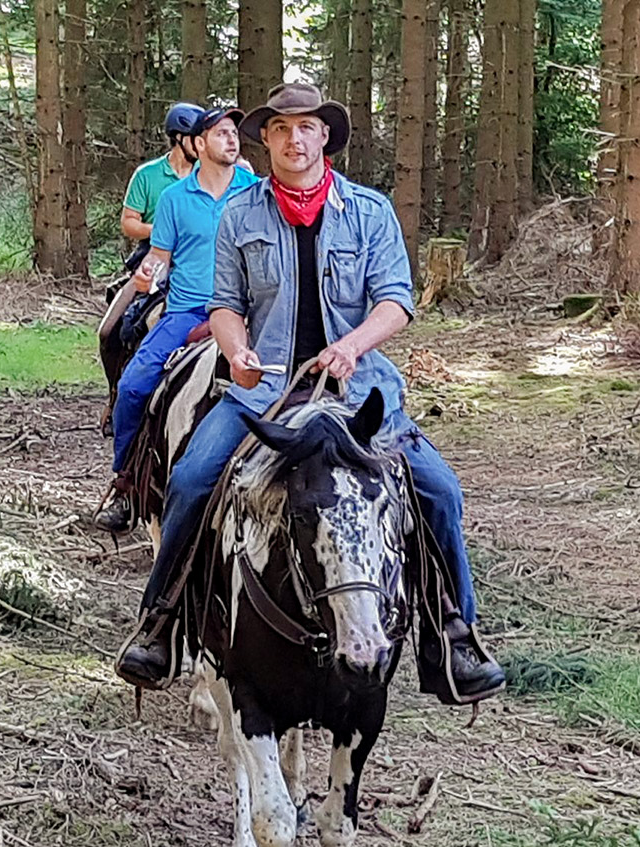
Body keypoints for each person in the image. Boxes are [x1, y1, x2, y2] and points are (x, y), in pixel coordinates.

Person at [113, 83, 507, 705]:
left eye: (306, 128)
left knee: (439, 490)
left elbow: (395, 300)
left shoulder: (369, 211)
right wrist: (237, 352)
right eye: (281, 130)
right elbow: (224, 305)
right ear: (265, 140)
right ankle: (160, 625)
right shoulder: (240, 215)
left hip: (358, 394)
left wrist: (352, 346)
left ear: (325, 136)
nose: (294, 140)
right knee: (191, 479)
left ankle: (452, 638)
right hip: (263, 394)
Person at [95, 105, 259, 534]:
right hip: (187, 311)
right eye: (221, 134)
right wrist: (149, 274)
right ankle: (127, 484)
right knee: (132, 387)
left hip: (249, 312)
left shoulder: (256, 191)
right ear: (198, 144)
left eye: (233, 133)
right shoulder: (172, 199)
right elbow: (159, 256)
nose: (231, 140)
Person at [120, 103, 206, 260]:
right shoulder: (146, 175)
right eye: (197, 138)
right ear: (179, 138)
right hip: (155, 252)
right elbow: (128, 223)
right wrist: (161, 231)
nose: (203, 144)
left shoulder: (208, 172)